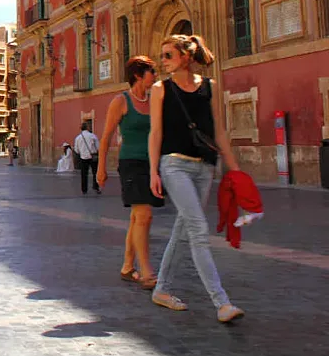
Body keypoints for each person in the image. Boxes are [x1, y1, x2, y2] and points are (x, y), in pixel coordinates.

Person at [148, 35, 244, 323]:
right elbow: (156, 133)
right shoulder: (159, 89)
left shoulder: (210, 88)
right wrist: (153, 170)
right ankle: (221, 302)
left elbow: (220, 133)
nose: (163, 62)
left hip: (205, 167)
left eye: (168, 56)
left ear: (186, 57)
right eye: (162, 56)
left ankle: (162, 289)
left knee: (184, 228)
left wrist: (234, 170)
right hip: (173, 165)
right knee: (198, 229)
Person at [97, 56, 162, 289]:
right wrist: (101, 168)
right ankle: (147, 272)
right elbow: (105, 138)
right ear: (138, 74)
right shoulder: (121, 101)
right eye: (152, 72)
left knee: (138, 217)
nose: (156, 76)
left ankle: (127, 266)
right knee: (144, 215)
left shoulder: (154, 100)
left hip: (151, 164)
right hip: (131, 163)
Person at [74, 123, 101, 195]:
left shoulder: (78, 138)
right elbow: (98, 147)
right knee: (95, 173)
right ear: (87, 128)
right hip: (93, 157)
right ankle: (96, 187)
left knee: (84, 174)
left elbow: (76, 150)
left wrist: (82, 152)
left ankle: (84, 189)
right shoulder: (93, 136)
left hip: (83, 158)